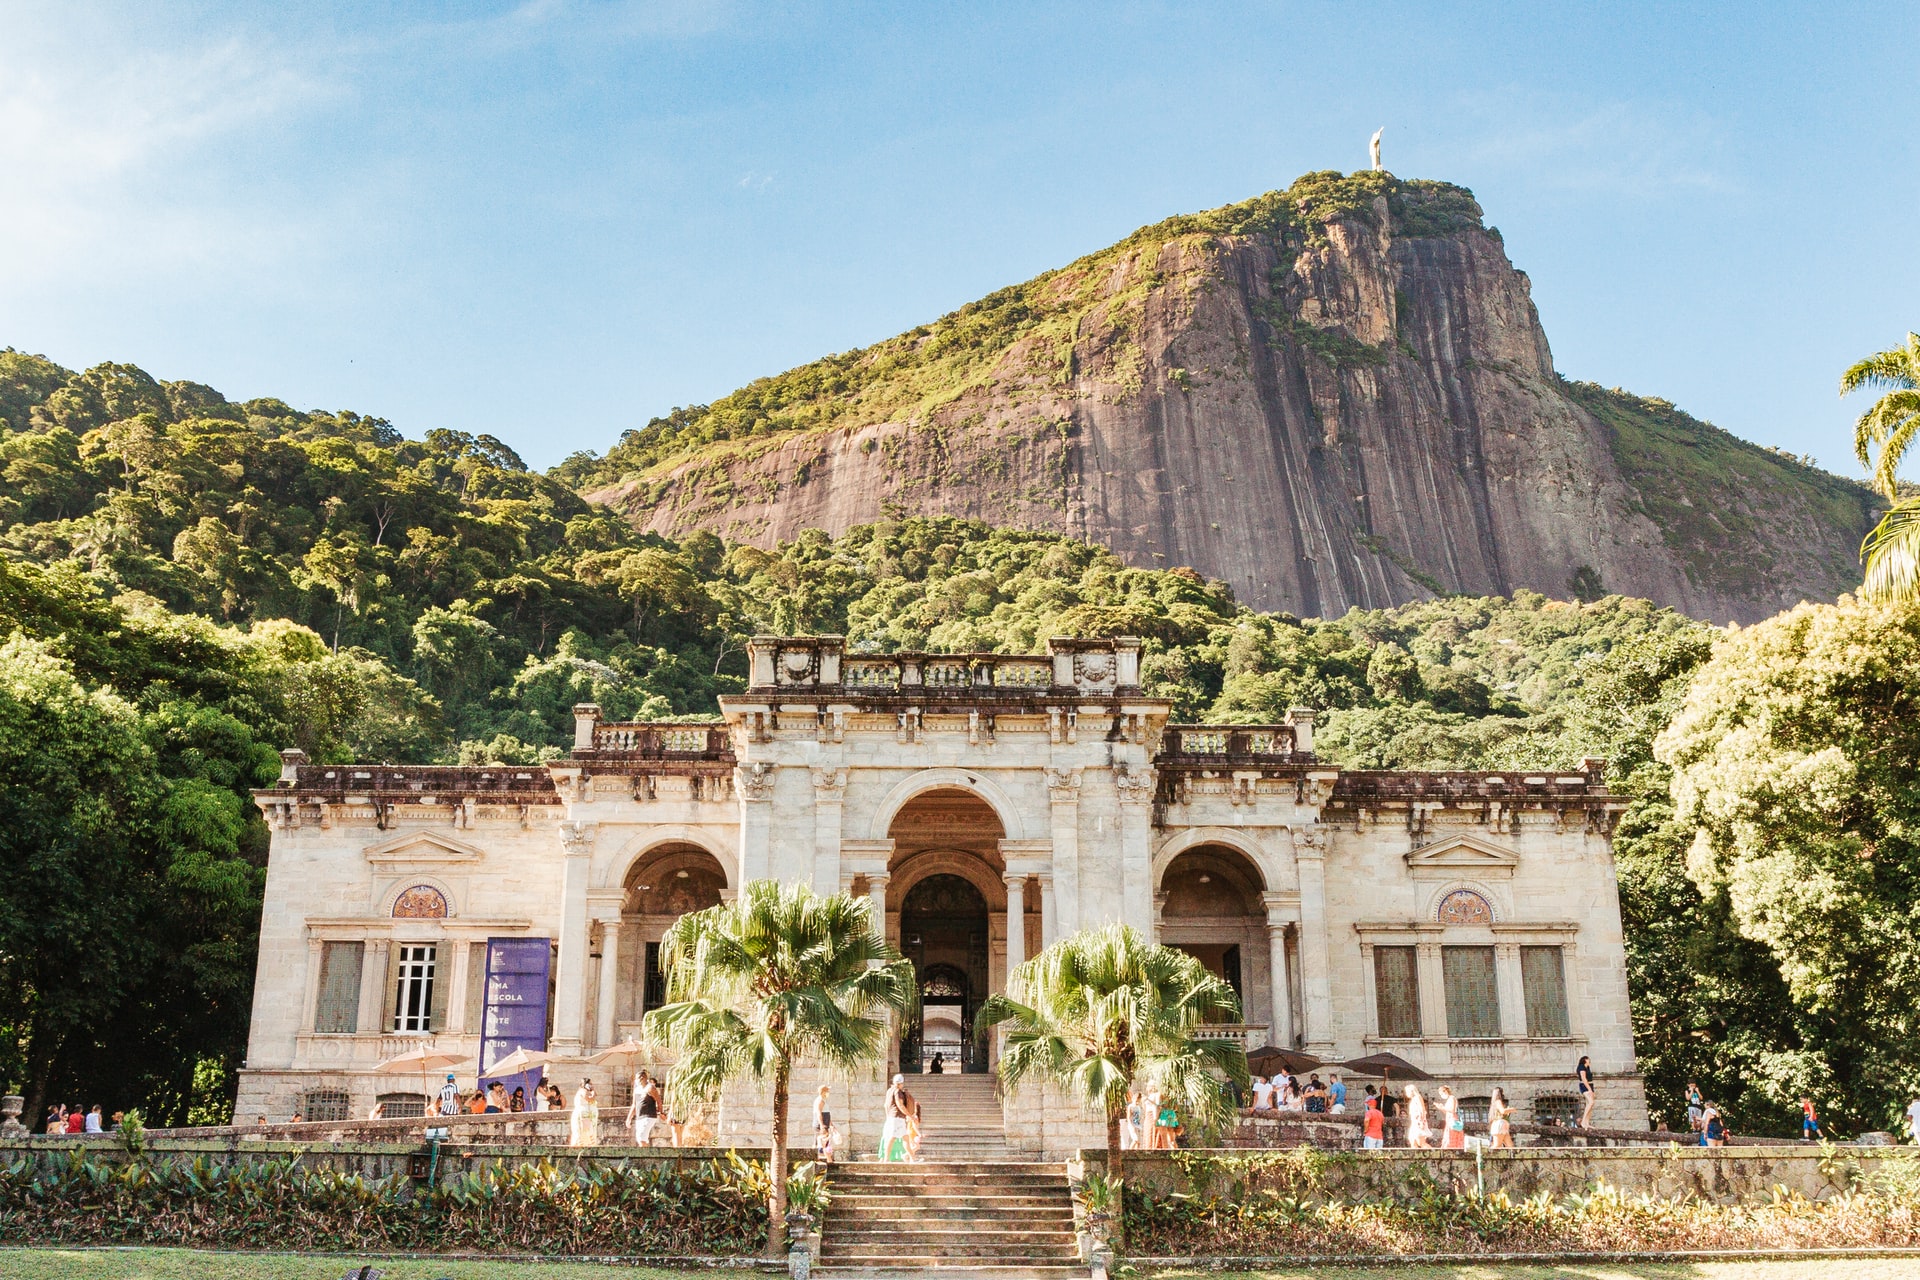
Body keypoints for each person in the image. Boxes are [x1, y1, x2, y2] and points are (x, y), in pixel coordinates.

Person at [881, 1074, 912, 1162]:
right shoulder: (897, 1091)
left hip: (891, 1117)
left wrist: (887, 1116)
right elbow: (900, 1105)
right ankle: (886, 1159)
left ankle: (912, 1158)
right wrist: (909, 1115)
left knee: (905, 1138)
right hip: (898, 1117)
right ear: (900, 1083)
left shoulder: (889, 1091)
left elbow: (886, 1105)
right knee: (892, 1138)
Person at [630, 1070, 662, 1146]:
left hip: (649, 1116)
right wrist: (629, 1117)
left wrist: (661, 1112)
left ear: (643, 1078)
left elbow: (659, 1101)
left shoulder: (650, 1088)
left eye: (637, 1078)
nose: (636, 1081)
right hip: (639, 1116)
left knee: (641, 1138)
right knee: (640, 1139)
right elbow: (634, 1104)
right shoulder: (636, 1089)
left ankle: (643, 1157)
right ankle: (648, 1155)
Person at [570, 1080, 599, 1147]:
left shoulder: (588, 1091)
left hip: (588, 1115)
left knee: (589, 1132)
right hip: (583, 1115)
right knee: (584, 1132)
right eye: (590, 1084)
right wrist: (593, 1091)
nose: (592, 1085)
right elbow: (589, 1099)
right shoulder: (583, 1091)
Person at [813, 1084, 835, 1162]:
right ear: (823, 1092)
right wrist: (822, 1125)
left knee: (825, 1142)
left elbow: (826, 1113)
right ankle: (825, 1159)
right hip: (821, 1124)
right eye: (827, 1091)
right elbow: (819, 1113)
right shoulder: (820, 1101)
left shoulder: (823, 1100)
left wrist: (831, 1124)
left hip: (825, 1123)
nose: (828, 1092)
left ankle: (828, 1159)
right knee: (822, 1142)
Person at [1575, 1056, 1597, 1128]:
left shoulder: (1587, 1068)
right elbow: (1584, 1079)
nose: (1589, 1061)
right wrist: (1589, 1089)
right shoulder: (1581, 1067)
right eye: (1588, 1059)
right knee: (1591, 1102)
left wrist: (1591, 1089)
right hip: (1585, 1086)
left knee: (1589, 1104)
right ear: (1585, 1060)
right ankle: (1583, 1121)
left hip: (1590, 1085)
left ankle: (1587, 1123)